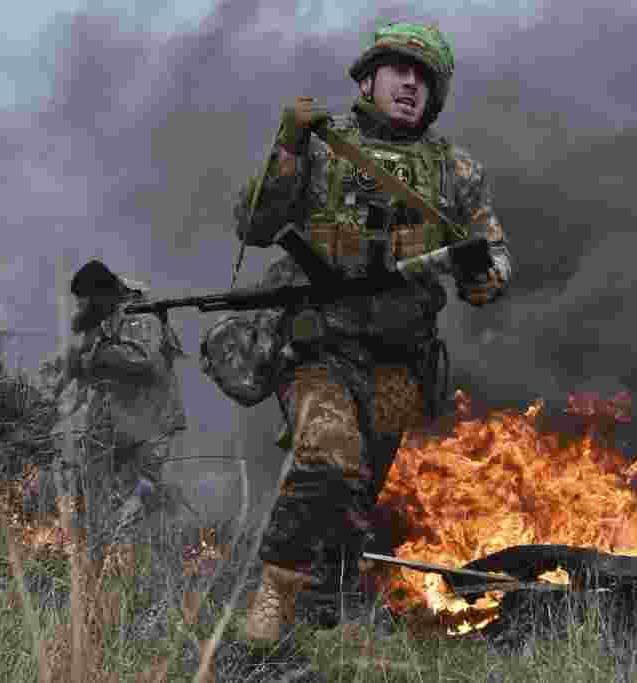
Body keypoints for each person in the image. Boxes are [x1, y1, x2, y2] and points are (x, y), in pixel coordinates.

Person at [201, 21, 513, 644]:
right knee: (327, 460)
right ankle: (269, 605)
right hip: (320, 346)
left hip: (399, 363)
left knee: (354, 500)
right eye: (399, 69)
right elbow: (255, 226)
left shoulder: (456, 172)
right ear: (368, 79)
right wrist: (287, 145)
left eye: (425, 77)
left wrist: (481, 266)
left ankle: (322, 621)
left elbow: (491, 276)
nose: (411, 84)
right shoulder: (321, 146)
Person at [57, 260, 190, 574]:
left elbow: (142, 359)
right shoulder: (109, 319)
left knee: (139, 496)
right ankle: (108, 565)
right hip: (118, 427)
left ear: (101, 295)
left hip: (150, 429)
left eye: (84, 300)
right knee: (101, 499)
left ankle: (132, 571)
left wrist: (93, 357)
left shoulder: (140, 316)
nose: (80, 307)